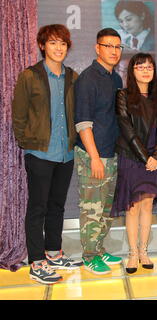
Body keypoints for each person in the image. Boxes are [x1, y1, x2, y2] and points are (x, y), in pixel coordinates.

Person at [12, 24, 82, 285]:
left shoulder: (73, 77)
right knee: (37, 208)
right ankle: (37, 261)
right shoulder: (29, 76)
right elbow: (18, 115)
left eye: (63, 43)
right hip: (39, 153)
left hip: (65, 153)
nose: (59, 48)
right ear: (43, 46)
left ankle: (54, 252)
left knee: (57, 206)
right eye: (53, 43)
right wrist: (26, 140)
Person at [111, 53, 157, 273]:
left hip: (154, 159)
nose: (146, 70)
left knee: (147, 206)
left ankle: (144, 251)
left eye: (149, 67)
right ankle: (133, 254)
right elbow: (126, 129)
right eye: (140, 67)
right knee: (133, 207)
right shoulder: (123, 95)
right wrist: (146, 158)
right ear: (132, 71)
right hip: (133, 157)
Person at [74, 28, 124, 274]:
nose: (114, 51)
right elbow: (83, 122)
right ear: (97, 48)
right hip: (91, 154)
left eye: (117, 47)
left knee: (105, 207)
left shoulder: (115, 78)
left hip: (110, 152)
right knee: (91, 208)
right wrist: (94, 157)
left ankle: (99, 248)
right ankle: (89, 255)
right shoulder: (88, 78)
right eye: (108, 46)